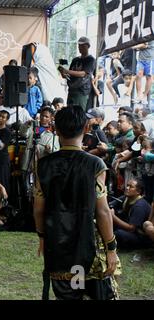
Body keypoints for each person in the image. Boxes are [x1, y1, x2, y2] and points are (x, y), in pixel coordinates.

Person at [34, 105, 120, 300]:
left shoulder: (44, 165)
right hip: (87, 246)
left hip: (58, 246)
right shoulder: (95, 164)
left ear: (55, 129)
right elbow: (103, 212)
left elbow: (38, 209)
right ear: (86, 129)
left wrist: (42, 237)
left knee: (68, 296)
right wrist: (111, 248)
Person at [110, 178, 152, 249]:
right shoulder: (126, 198)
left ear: (138, 191)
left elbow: (131, 228)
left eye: (131, 187)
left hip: (140, 236)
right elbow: (111, 205)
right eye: (127, 185)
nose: (127, 188)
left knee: (118, 234)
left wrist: (113, 216)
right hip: (131, 230)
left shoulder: (140, 206)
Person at [58, 37, 96, 111]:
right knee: (69, 112)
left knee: (78, 113)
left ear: (88, 46)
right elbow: (69, 74)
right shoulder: (75, 60)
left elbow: (83, 74)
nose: (80, 47)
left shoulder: (90, 60)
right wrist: (63, 73)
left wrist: (67, 71)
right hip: (72, 89)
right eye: (79, 45)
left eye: (82, 45)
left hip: (82, 91)